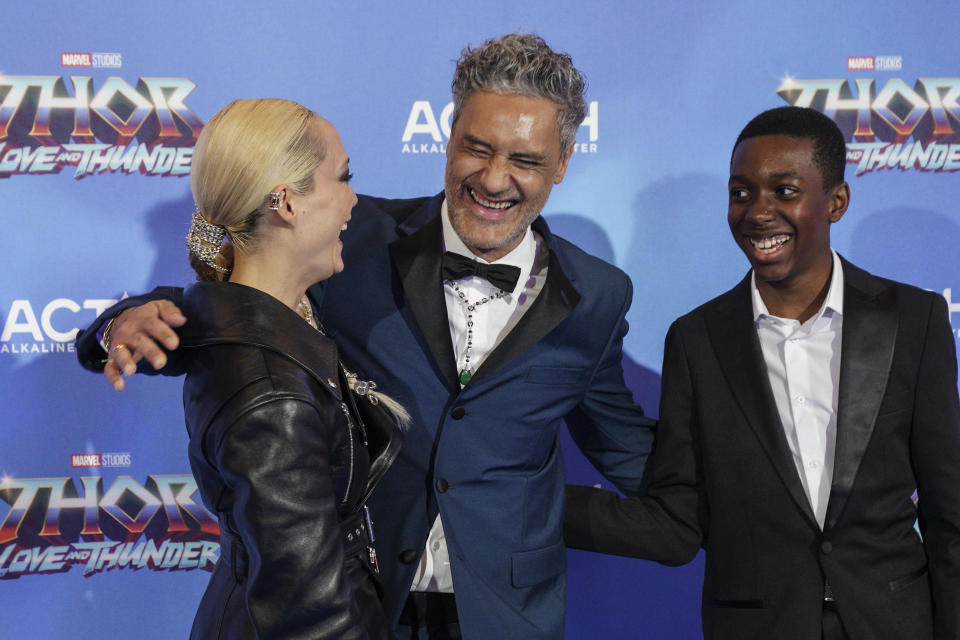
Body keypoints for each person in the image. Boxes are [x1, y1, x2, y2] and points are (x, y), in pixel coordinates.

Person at [76, 34, 659, 639]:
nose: (493, 179)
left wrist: (738, 492)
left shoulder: (596, 294)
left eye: (526, 161)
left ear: (563, 162)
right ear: (450, 131)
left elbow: (623, 445)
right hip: (353, 603)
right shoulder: (353, 238)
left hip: (504, 620)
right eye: (476, 148)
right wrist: (124, 322)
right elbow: (246, 313)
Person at [564, 106, 960, 639]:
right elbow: (679, 517)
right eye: (741, 192)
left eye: (786, 191)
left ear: (836, 201)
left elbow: (949, 511)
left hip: (894, 623)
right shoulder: (697, 339)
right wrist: (521, 501)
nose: (758, 212)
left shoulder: (914, 320)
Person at [151, 97, 404, 639]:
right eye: (343, 177)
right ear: (286, 202)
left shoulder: (257, 312)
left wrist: (112, 324)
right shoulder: (271, 395)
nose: (354, 200)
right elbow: (310, 615)